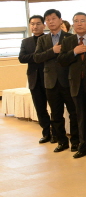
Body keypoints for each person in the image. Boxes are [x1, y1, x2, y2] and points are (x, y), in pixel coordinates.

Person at [34, 9, 78, 152]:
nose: (51, 21)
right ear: (46, 23)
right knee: (56, 114)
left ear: (60, 20)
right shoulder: (42, 39)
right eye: (48, 19)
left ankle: (76, 141)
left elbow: (74, 58)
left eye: (53, 18)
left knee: (74, 112)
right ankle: (61, 141)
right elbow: (37, 58)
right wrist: (53, 51)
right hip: (50, 82)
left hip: (68, 80)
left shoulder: (70, 37)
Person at [58, 12, 86, 158]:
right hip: (76, 83)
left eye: (82, 21)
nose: (79, 24)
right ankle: (84, 146)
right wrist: (74, 52)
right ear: (72, 24)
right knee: (80, 115)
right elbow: (62, 60)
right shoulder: (68, 41)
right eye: (76, 21)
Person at [18, 15, 52, 143]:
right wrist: (39, 56)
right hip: (34, 79)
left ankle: (56, 132)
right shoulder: (26, 42)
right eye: (32, 24)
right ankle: (46, 132)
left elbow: (52, 55)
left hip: (49, 77)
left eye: (38, 24)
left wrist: (36, 56)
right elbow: (22, 58)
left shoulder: (49, 39)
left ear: (44, 25)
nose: (35, 26)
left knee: (54, 107)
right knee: (40, 108)